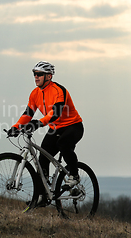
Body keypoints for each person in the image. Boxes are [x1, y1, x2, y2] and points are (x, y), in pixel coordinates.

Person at [8, 61, 84, 205]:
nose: (36, 77)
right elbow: (28, 113)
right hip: (55, 128)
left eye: (39, 74)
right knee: (43, 157)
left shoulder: (58, 90)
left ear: (48, 76)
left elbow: (55, 113)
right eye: (34, 74)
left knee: (63, 144)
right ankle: (43, 195)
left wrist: (38, 123)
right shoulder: (35, 93)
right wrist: (16, 127)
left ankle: (74, 174)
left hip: (73, 126)